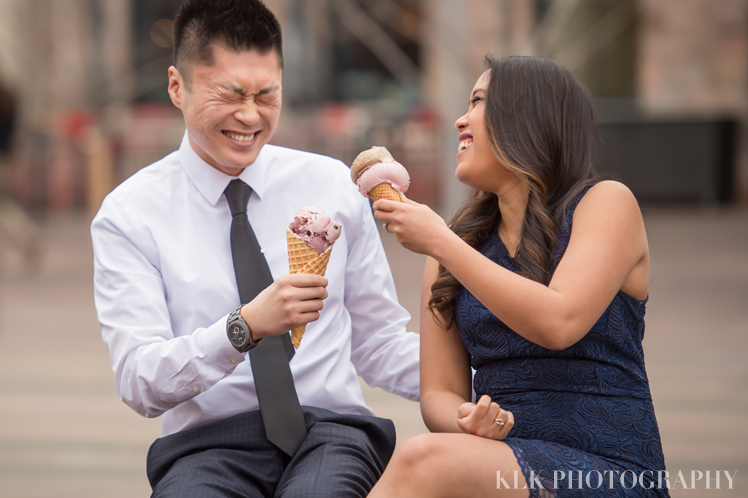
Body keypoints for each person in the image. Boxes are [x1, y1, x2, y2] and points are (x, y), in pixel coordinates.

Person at [90, 1, 419, 497]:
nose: (250, 115)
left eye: (267, 95)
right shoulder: (129, 214)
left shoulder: (331, 183)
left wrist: (497, 381)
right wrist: (242, 329)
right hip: (205, 446)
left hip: (332, 434)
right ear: (177, 87)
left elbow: (379, 342)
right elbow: (140, 380)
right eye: (230, 94)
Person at [369, 56, 669, 497]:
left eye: (477, 102)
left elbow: (558, 322)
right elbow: (439, 391)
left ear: (528, 117)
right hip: (502, 458)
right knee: (428, 453)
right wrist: (465, 419)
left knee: (421, 460)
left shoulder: (605, 203)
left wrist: (440, 241)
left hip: (610, 467)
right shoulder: (457, 246)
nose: (459, 120)